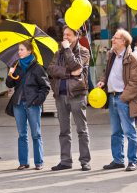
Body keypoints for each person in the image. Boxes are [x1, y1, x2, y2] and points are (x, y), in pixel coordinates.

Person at [97, 28, 137, 172]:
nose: (112, 39)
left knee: (129, 131)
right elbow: (108, 73)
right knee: (115, 132)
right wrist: (103, 81)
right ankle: (118, 160)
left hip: (124, 98)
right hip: (112, 97)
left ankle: (132, 161)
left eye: (116, 38)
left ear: (123, 41)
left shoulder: (133, 58)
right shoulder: (112, 55)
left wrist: (123, 98)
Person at [48, 25, 91, 171]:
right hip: (60, 95)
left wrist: (67, 50)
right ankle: (65, 161)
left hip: (77, 95)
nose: (65, 37)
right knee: (63, 131)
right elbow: (51, 69)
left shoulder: (84, 51)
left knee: (81, 130)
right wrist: (69, 73)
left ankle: (85, 160)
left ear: (76, 36)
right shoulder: (58, 53)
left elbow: (77, 66)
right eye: (64, 34)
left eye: (68, 35)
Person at [6, 41, 50, 170]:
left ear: (29, 51)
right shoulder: (16, 66)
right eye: (18, 50)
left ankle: (39, 162)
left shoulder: (38, 67)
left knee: (36, 134)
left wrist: (38, 101)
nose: (19, 52)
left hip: (32, 104)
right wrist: (10, 74)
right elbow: (9, 85)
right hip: (18, 104)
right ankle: (23, 162)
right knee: (22, 134)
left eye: (21, 49)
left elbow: (45, 87)